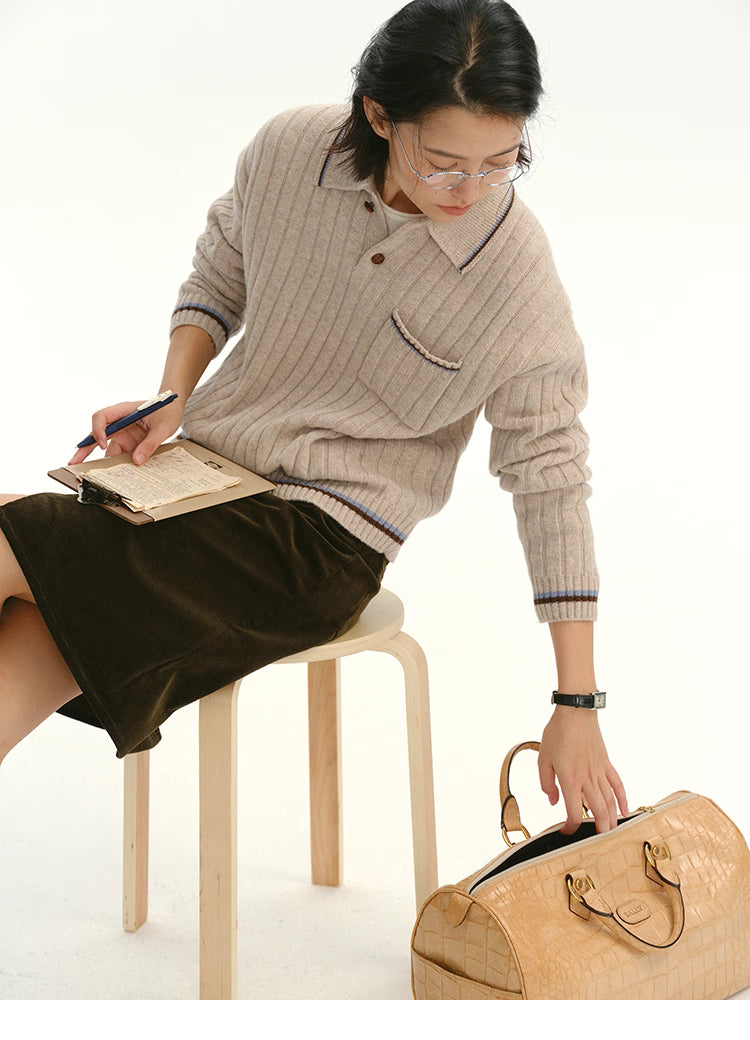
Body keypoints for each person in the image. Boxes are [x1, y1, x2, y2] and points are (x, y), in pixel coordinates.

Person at [0, 0, 627, 835]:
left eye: (502, 162)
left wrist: (575, 700)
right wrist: (173, 396)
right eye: (444, 163)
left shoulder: (514, 275)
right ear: (378, 115)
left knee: (19, 544)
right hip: (204, 484)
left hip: (321, 543)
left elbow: (551, 477)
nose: (471, 191)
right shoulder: (294, 149)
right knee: (40, 610)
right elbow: (222, 266)